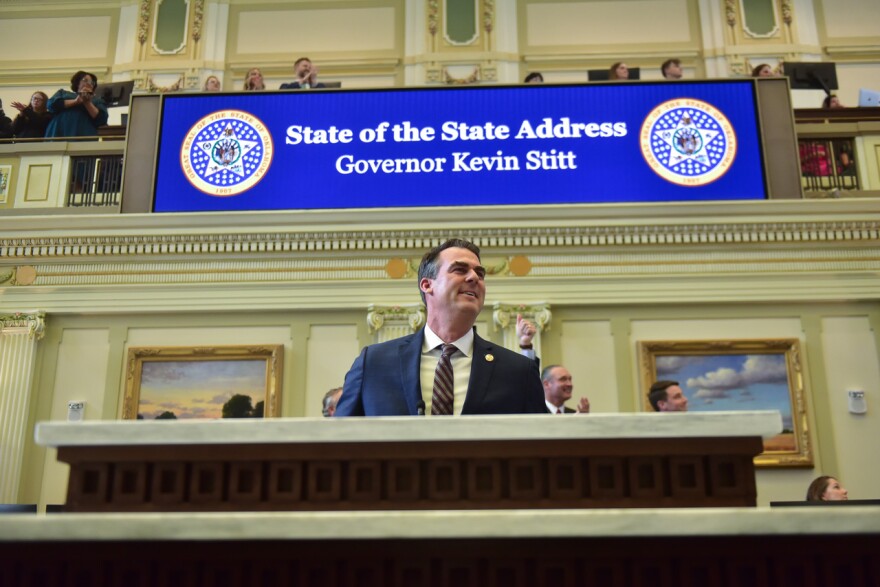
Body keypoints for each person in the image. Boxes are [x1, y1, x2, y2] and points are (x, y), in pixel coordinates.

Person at [335, 238, 546, 416]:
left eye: (480, 274)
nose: (474, 278)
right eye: (460, 269)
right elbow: (339, 440)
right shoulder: (374, 363)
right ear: (427, 285)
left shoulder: (518, 371)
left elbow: (542, 445)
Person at [45, 70, 109, 138]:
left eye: (92, 82)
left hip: (84, 135)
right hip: (59, 132)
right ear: (77, 83)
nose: (89, 83)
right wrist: (76, 101)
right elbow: (51, 105)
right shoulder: (63, 93)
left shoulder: (97, 100)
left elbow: (102, 119)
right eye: (85, 80)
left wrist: (87, 102)